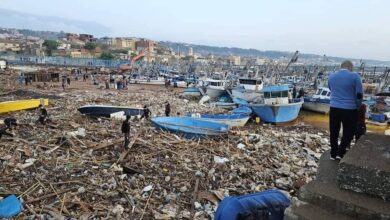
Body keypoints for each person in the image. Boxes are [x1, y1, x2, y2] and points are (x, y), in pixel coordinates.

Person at [328, 60, 363, 160]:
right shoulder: (355, 77)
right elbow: (359, 94)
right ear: (350, 67)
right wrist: (358, 106)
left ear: (341, 66)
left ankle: (333, 153)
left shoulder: (331, 76)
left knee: (334, 131)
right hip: (350, 108)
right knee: (348, 131)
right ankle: (340, 152)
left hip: (334, 107)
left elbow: (331, 89)